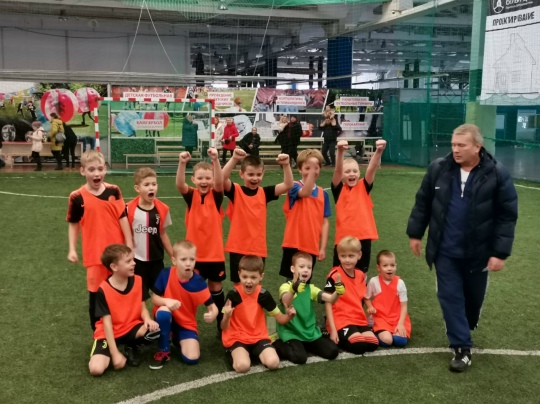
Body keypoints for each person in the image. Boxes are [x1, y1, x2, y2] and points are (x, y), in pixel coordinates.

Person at [407, 123, 518, 372]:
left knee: (472, 301)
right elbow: (423, 202)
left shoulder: (497, 174)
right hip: (445, 250)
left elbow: (507, 215)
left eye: (461, 145)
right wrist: (415, 233)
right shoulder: (438, 168)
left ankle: (465, 324)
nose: (455, 150)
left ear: (477, 147)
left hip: (479, 252)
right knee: (450, 296)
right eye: (453, 145)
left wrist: (499, 253)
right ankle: (462, 347)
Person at [67, 150, 133, 330]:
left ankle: (123, 329)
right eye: (91, 170)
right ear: (82, 171)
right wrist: (72, 249)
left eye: (100, 169)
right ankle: (98, 334)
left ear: (105, 169)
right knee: (96, 294)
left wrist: (129, 245)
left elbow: (122, 217)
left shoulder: (114, 190)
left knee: (120, 291)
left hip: (118, 255)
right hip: (95, 256)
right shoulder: (77, 197)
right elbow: (73, 223)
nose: (96, 173)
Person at [223, 148, 293, 284]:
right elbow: (221, 178)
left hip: (258, 248)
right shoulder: (236, 191)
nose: (255, 178)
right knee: (239, 285)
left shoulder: (264, 193)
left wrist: (286, 165)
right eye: (250, 174)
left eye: (258, 174)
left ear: (263, 174)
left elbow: (288, 184)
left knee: (255, 284)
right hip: (238, 247)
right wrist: (234, 159)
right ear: (241, 174)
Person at [176, 147, 227, 333]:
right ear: (194, 180)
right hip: (194, 256)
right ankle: (185, 325)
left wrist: (216, 160)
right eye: (200, 178)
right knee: (190, 287)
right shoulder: (191, 196)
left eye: (207, 178)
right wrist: (182, 163)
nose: (204, 181)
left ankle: (221, 325)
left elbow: (220, 182)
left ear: (212, 180)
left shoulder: (216, 196)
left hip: (215, 254)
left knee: (215, 285)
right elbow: (179, 184)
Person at [88, 244, 160, 376]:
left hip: (131, 327)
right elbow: (107, 325)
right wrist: (115, 353)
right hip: (109, 332)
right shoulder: (103, 290)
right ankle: (116, 348)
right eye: (128, 261)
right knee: (96, 369)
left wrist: (148, 319)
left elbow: (142, 308)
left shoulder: (138, 280)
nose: (134, 263)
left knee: (155, 331)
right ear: (114, 267)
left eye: (133, 259)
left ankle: (130, 346)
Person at [150, 240, 218, 369]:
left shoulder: (199, 282)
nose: (188, 263)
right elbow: (154, 298)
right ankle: (164, 350)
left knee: (192, 358)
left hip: (186, 323)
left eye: (192, 259)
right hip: (166, 316)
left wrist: (213, 314)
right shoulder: (166, 274)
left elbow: (212, 307)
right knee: (164, 312)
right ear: (174, 261)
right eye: (183, 259)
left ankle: (175, 338)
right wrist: (166, 301)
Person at [221, 255, 294, 374]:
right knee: (243, 366)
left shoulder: (264, 295)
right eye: (245, 276)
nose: (248, 281)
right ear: (239, 275)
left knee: (273, 363)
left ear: (261, 277)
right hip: (237, 337)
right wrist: (227, 316)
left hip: (258, 337)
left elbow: (281, 319)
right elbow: (223, 327)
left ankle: (252, 352)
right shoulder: (233, 295)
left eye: (253, 277)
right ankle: (233, 353)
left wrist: (289, 316)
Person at [273, 251, 343, 364]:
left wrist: (337, 292)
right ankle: (278, 344)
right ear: (292, 269)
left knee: (332, 352)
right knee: (300, 358)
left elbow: (330, 299)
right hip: (291, 333)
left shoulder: (311, 288)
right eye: (301, 267)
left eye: (309, 267)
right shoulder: (285, 286)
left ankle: (305, 345)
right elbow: (286, 301)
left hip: (310, 333)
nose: (306, 270)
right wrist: (294, 289)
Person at [331, 139, 386, 273]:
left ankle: (360, 287)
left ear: (359, 173)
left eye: (355, 171)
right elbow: (337, 170)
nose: (352, 174)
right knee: (338, 273)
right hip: (343, 239)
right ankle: (336, 287)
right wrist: (340, 151)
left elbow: (371, 168)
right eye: (347, 171)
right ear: (342, 175)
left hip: (363, 237)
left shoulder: (363, 186)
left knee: (361, 273)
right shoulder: (339, 189)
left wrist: (379, 151)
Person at [279, 149, 331, 279]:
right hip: (293, 243)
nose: (312, 171)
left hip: (311, 245)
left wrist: (323, 247)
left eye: (316, 168)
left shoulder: (323, 194)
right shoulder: (294, 186)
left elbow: (324, 222)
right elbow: (305, 193)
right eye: (307, 168)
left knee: (305, 282)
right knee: (291, 282)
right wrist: (312, 171)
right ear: (299, 169)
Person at [324, 236, 379, 355]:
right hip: (341, 319)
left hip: (358, 318)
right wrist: (332, 329)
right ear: (338, 256)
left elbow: (362, 297)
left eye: (351, 256)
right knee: (359, 346)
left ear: (359, 255)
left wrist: (369, 309)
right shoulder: (334, 275)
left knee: (373, 344)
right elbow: (327, 302)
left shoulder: (360, 275)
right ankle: (332, 336)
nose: (347, 260)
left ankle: (353, 334)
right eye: (343, 256)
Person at [126, 167, 173, 295]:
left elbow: (163, 233)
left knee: (163, 294)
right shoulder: (128, 209)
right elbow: (125, 235)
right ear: (137, 188)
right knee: (138, 295)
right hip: (136, 261)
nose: (151, 188)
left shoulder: (163, 209)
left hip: (157, 260)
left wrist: (172, 255)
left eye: (154, 184)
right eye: (146, 185)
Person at [364, 250, 411, 347]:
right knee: (387, 341)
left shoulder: (400, 283)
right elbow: (366, 297)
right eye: (385, 266)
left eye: (392, 265)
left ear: (396, 266)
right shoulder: (374, 281)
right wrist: (370, 307)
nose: (389, 269)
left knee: (400, 341)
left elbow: (404, 306)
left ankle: (387, 332)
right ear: (378, 267)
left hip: (397, 318)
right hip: (381, 318)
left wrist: (401, 324)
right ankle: (373, 332)